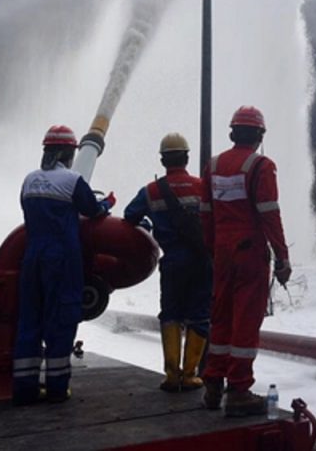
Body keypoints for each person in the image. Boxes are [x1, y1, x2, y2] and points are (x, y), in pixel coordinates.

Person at [12, 125, 115, 405]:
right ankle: (57, 387)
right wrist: (107, 203)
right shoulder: (72, 180)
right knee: (61, 319)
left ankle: (24, 387)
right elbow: (91, 210)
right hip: (62, 259)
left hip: (32, 257)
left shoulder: (29, 180)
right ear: (70, 153)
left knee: (30, 319)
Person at [201, 106, 292, 417]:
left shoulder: (213, 165)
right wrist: (282, 256)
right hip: (250, 251)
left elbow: (206, 213)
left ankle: (213, 383)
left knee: (221, 316)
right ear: (260, 136)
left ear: (232, 133)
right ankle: (239, 389)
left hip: (223, 251)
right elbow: (269, 212)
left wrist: (212, 249)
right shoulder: (261, 165)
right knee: (246, 320)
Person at [123, 133, 211, 393]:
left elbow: (130, 216)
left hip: (172, 262)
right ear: (187, 157)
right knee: (200, 315)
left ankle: (172, 376)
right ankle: (191, 374)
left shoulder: (151, 191)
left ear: (163, 160)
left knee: (170, 314)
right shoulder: (201, 187)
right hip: (201, 262)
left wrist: (148, 224)